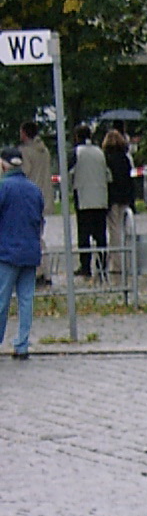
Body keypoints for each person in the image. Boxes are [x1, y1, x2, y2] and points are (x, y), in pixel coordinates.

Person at [0, 147, 44, 360]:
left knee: (2, 300)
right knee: (26, 300)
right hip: (30, 251)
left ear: (3, 165)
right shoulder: (34, 189)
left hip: (6, 252)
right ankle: (22, 344)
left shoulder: (3, 187)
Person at [68, 124, 109, 278]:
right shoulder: (100, 152)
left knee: (84, 235)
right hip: (101, 198)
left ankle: (85, 266)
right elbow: (107, 174)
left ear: (77, 137)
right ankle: (102, 264)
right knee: (101, 235)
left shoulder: (76, 153)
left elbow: (68, 171)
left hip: (84, 197)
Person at [17, 122, 51, 286]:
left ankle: (39, 272)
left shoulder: (26, 152)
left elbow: (24, 173)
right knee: (38, 234)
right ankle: (46, 271)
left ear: (25, 133)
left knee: (33, 237)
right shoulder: (44, 151)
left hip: (29, 198)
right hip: (44, 197)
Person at [102, 129, 135, 277]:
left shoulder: (106, 159)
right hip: (125, 197)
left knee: (113, 230)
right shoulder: (125, 159)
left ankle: (116, 263)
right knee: (122, 228)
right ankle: (122, 259)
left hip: (112, 198)